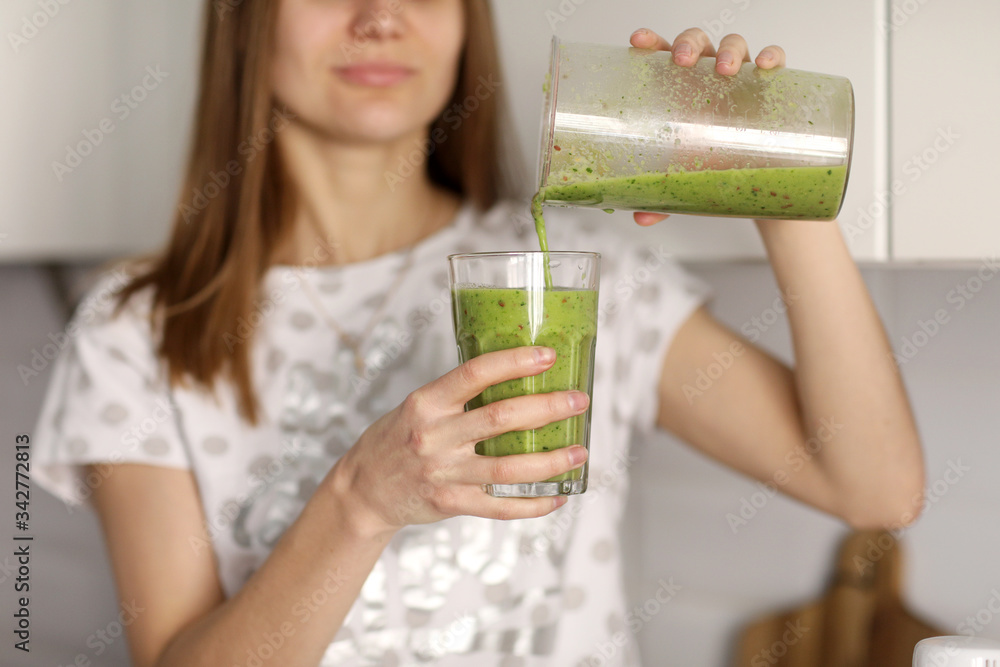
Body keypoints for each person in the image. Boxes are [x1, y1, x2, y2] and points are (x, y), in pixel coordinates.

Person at [32, 1, 925, 665]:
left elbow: (875, 487)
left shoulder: (580, 269)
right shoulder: (140, 330)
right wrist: (360, 502)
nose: (381, 18)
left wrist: (770, 168)